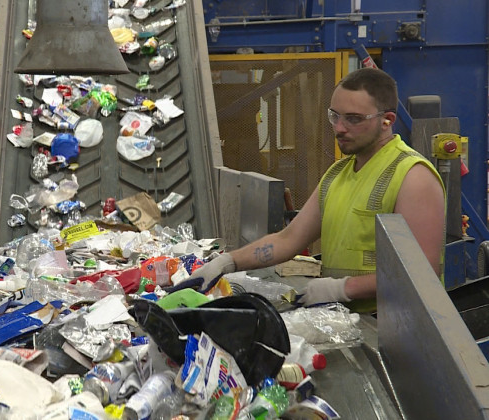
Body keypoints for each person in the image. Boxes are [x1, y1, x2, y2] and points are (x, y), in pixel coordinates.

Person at [187, 67, 445, 312]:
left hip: (402, 331)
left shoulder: (412, 176)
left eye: (353, 119)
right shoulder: (337, 174)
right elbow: (288, 240)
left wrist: (342, 288)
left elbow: (422, 272)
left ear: (387, 120)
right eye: (335, 116)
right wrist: (227, 262)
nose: (340, 128)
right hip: (350, 318)